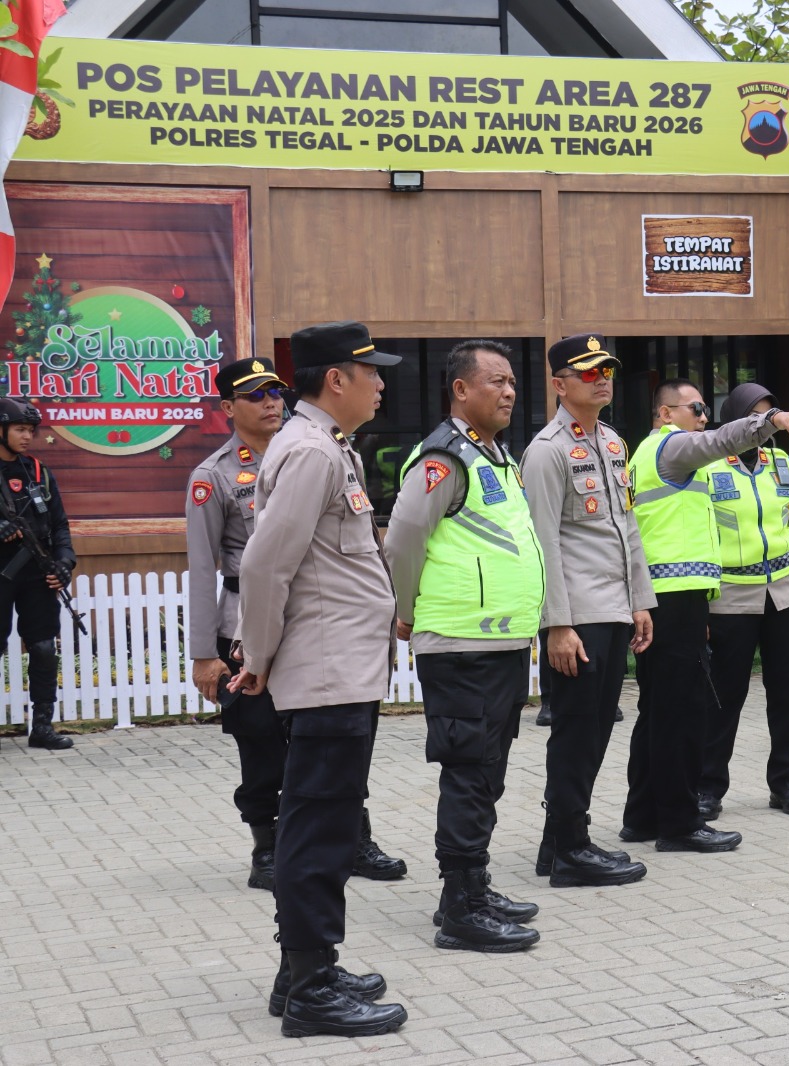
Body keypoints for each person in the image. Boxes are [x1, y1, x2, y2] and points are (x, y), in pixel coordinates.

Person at [230, 321, 409, 1038]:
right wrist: (258, 657)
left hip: (342, 669)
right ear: (336, 379)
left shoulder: (325, 445)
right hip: (326, 672)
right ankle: (311, 987)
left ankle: (299, 972)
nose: (381, 384)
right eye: (372, 372)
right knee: (318, 832)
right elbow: (264, 565)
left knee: (324, 826)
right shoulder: (310, 451)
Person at [187, 359, 406, 894]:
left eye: (274, 392)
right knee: (262, 743)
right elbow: (204, 566)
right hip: (246, 624)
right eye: (254, 395)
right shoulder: (214, 475)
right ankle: (267, 845)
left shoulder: (325, 448)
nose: (270, 403)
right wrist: (204, 653)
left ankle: (353, 836)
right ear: (227, 408)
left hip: (313, 621)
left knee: (338, 740)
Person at [384, 341, 542, 953]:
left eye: (511, 382)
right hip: (461, 644)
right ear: (460, 389)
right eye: (495, 381)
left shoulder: (496, 456)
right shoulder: (443, 459)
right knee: (469, 773)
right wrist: (405, 609)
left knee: (488, 772)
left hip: (500, 642)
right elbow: (403, 539)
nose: (509, 392)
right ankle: (460, 908)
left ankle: (474, 887)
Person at [623, 378, 789, 850]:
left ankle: (643, 817)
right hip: (679, 595)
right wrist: (772, 420)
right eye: (695, 408)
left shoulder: (656, 455)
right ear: (666, 414)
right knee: (684, 713)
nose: (704, 417)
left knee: (659, 712)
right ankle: (680, 823)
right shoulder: (671, 449)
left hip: (679, 593)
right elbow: (719, 440)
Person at [520, 334, 651, 888]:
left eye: (607, 371)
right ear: (559, 384)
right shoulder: (546, 450)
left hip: (614, 608)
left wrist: (641, 601)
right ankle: (570, 848)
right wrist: (557, 624)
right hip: (577, 615)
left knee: (597, 728)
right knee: (576, 731)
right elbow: (542, 542)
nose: (602, 380)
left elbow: (628, 527)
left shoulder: (613, 442)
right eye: (589, 372)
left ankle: (559, 842)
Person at [699, 382, 789, 819]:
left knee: (787, 697)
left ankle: (786, 785)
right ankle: (708, 789)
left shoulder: (782, 464)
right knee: (724, 698)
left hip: (787, 595)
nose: (762, 424)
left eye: (768, 414)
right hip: (729, 599)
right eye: (753, 416)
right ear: (734, 420)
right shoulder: (705, 467)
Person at [0, 398, 76, 750]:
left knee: (44, 648)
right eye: (20, 429)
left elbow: (59, 524)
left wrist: (65, 563)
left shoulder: (37, 471)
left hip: (37, 575)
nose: (27, 436)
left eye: (31, 430)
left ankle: (42, 726)